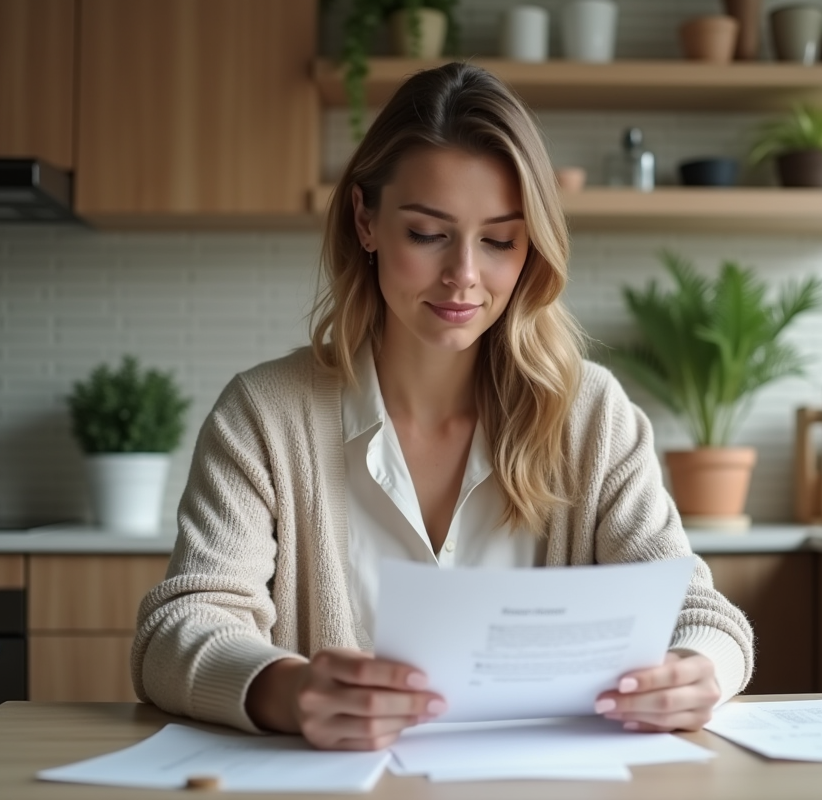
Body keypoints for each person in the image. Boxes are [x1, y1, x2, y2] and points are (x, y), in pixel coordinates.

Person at [131, 62, 754, 752]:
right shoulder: (266, 415)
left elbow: (699, 614)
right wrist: (288, 689)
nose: (463, 275)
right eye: (428, 234)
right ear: (366, 220)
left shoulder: (590, 415)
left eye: (498, 241)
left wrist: (699, 672)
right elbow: (179, 627)